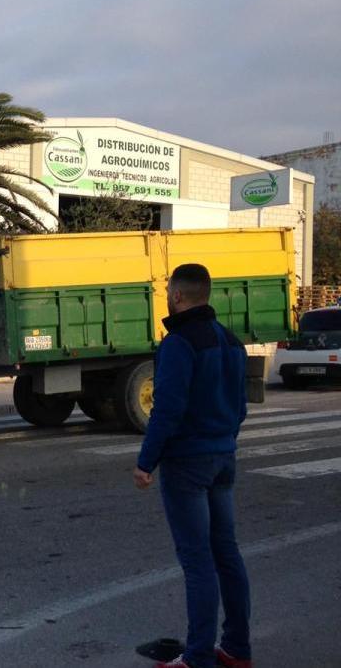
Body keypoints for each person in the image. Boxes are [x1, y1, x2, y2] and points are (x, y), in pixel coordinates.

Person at [133, 264, 252, 668]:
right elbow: (241, 407)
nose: (167, 296)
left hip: (187, 464)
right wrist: (225, 440)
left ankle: (198, 656)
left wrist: (146, 462)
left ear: (179, 295)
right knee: (227, 554)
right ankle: (236, 649)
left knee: (198, 561)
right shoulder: (232, 342)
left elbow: (166, 409)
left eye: (168, 290)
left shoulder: (179, 344)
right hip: (224, 458)